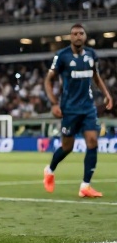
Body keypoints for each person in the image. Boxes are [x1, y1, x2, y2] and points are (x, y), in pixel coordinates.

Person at [43, 23, 113, 197]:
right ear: (70, 37)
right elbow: (48, 80)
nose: (78, 36)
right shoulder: (62, 56)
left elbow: (96, 76)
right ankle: (50, 170)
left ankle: (85, 186)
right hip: (69, 108)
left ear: (85, 36)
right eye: (74, 34)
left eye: (81, 33)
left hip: (88, 107)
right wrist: (53, 103)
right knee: (68, 147)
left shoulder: (91, 55)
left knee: (92, 141)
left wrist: (107, 94)